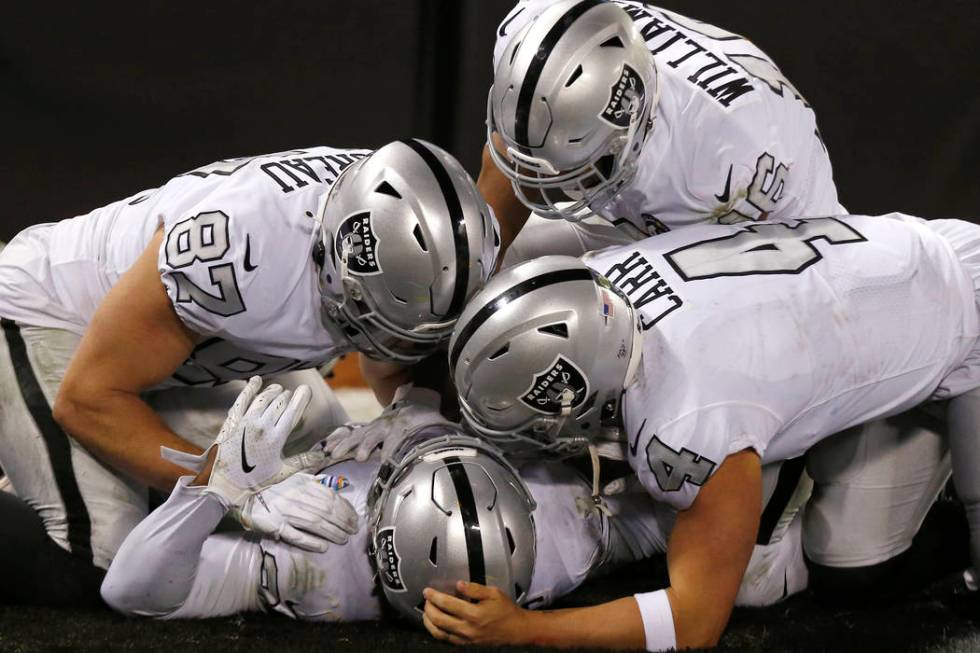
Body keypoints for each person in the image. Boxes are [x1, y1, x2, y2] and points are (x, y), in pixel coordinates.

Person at [446, 213, 979, 649]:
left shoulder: (686, 414)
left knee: (811, 579)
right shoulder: (601, 274)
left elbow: (693, 623)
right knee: (847, 559)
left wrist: (524, 630)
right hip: (902, 286)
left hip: (965, 325)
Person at [0, 140, 498, 597]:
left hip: (176, 357)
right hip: (53, 319)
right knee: (112, 555)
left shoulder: (434, 233)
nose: (391, 347)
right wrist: (227, 488)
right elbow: (88, 397)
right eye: (380, 324)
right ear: (334, 263)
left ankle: (45, 461)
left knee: (313, 441)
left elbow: (414, 344)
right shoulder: (236, 254)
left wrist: (417, 404)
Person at [100, 381, 805, 623]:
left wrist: (214, 492)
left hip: (289, 456)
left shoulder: (322, 568)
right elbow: (723, 476)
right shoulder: (564, 540)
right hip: (566, 475)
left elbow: (130, 586)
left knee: (106, 537)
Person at [479, 0, 844, 266]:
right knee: (480, 259)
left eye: (573, 164)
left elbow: (739, 297)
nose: (552, 177)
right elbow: (511, 164)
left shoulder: (724, 158)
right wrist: (475, 272)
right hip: (653, 211)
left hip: (779, 246)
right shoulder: (532, 29)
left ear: (632, 128)